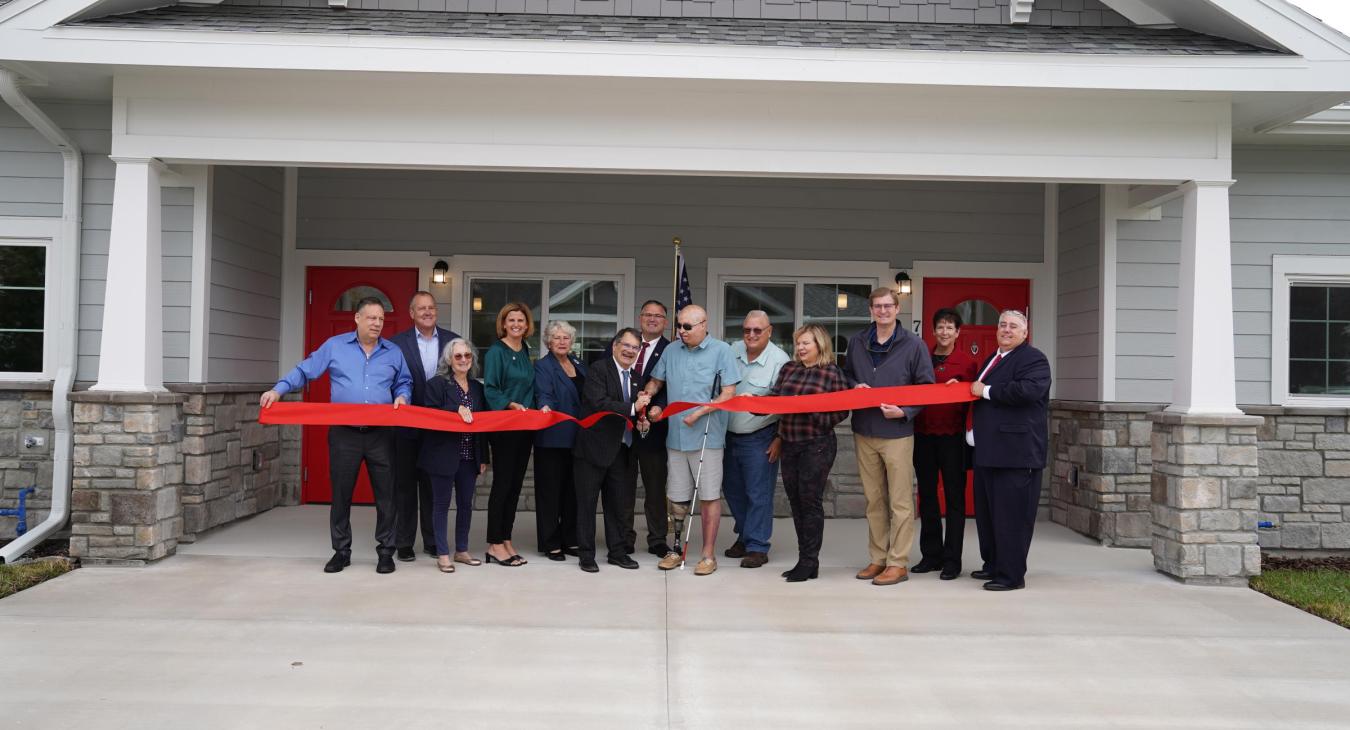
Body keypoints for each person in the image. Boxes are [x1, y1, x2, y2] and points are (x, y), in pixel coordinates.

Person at [260, 296, 411, 575]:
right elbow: (305, 371)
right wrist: (277, 390)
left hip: (382, 434)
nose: (377, 323)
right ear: (357, 318)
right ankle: (341, 552)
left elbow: (404, 381)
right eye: (371, 318)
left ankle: (386, 553)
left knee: (386, 497)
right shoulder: (335, 346)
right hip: (345, 435)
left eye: (381, 319)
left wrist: (403, 396)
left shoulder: (393, 352)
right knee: (341, 495)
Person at [843, 287, 935, 587]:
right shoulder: (857, 342)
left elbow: (926, 388)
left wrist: (906, 411)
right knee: (874, 500)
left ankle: (898, 562)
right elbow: (846, 375)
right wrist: (854, 386)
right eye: (877, 307)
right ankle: (878, 558)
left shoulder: (914, 345)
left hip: (896, 432)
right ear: (870, 310)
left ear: (898, 309)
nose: (882, 311)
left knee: (900, 502)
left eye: (888, 306)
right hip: (864, 429)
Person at [641, 304, 739, 576]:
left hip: (707, 435)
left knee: (708, 496)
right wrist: (648, 398)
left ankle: (708, 554)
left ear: (703, 324)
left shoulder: (722, 351)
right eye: (679, 326)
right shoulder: (672, 350)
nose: (681, 332)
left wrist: (700, 412)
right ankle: (675, 549)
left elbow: (729, 392)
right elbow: (656, 381)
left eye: (687, 327)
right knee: (677, 496)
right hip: (676, 436)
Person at [967, 309, 1051, 591]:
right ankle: (993, 564)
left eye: (1013, 326)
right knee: (990, 515)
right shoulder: (994, 358)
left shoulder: (1034, 359)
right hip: (990, 453)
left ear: (1025, 333)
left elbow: (1027, 391)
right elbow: (975, 390)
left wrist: (986, 391)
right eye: (1002, 324)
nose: (1006, 329)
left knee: (1011, 517)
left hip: (1016, 454)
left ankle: (1011, 575)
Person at [770, 324, 850, 582]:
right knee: (795, 501)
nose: (801, 348)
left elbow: (842, 410)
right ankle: (805, 559)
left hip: (817, 444)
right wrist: (753, 401)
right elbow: (775, 398)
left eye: (807, 343)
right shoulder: (789, 369)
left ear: (820, 345)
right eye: (799, 343)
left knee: (810, 501)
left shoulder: (831, 373)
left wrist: (811, 410)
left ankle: (809, 561)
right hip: (790, 443)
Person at [389, 291, 461, 562]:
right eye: (422, 309)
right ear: (412, 313)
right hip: (407, 425)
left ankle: (433, 540)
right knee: (405, 486)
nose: (428, 312)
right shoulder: (396, 344)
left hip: (440, 425)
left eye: (431, 307)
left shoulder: (452, 341)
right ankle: (404, 542)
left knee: (433, 485)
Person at [572, 328, 650, 572]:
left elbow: (634, 413)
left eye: (634, 348)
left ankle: (617, 552)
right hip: (593, 449)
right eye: (625, 345)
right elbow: (599, 403)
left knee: (617, 505)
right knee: (587, 504)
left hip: (621, 449)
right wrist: (634, 408)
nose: (629, 350)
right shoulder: (599, 369)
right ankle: (586, 555)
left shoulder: (637, 377)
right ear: (615, 346)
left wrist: (641, 421)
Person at [912, 308, 980, 580]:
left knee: (954, 500)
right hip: (923, 435)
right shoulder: (921, 358)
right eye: (940, 327)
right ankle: (931, 556)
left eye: (950, 327)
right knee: (927, 497)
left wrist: (961, 387)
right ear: (933, 330)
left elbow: (974, 397)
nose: (944, 332)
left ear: (958, 332)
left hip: (953, 438)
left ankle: (952, 560)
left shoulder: (967, 363)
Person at [723, 310, 790, 568]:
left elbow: (785, 404)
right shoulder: (732, 350)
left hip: (760, 436)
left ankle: (758, 546)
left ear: (769, 331)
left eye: (757, 330)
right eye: (747, 330)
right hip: (728, 435)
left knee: (758, 494)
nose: (751, 335)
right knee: (732, 491)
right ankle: (745, 535)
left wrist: (780, 438)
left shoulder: (779, 360)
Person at [418, 338, 489, 573]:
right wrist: (454, 409)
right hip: (442, 456)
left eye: (467, 356)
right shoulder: (436, 384)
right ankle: (442, 553)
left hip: (469, 457)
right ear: (449, 359)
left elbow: (483, 424)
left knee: (466, 505)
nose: (463, 360)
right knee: (440, 506)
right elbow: (429, 415)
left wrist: (483, 457)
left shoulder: (478, 387)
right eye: (458, 356)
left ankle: (461, 549)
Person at [482, 302, 536, 567]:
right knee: (502, 486)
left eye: (521, 320)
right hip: (504, 426)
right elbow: (490, 389)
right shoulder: (496, 352)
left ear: (527, 325)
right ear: (503, 323)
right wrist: (510, 404)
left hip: (524, 428)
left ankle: (506, 539)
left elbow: (529, 387)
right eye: (511, 320)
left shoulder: (526, 350)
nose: (516, 324)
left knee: (515, 487)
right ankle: (493, 543)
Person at [534, 320, 587, 561]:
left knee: (572, 492)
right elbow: (544, 393)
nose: (562, 342)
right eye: (557, 337)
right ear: (548, 341)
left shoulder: (578, 363)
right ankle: (550, 541)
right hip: (553, 437)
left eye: (566, 337)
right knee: (550, 493)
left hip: (578, 437)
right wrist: (546, 406)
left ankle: (569, 539)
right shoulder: (543, 366)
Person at [629, 300, 673, 558]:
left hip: (655, 429)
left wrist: (661, 408)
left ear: (665, 322)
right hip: (624, 427)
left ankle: (657, 539)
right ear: (640, 318)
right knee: (622, 487)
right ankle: (623, 537)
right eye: (648, 314)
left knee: (655, 488)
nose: (653, 319)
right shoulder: (625, 343)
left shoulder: (672, 350)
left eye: (658, 316)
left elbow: (674, 384)